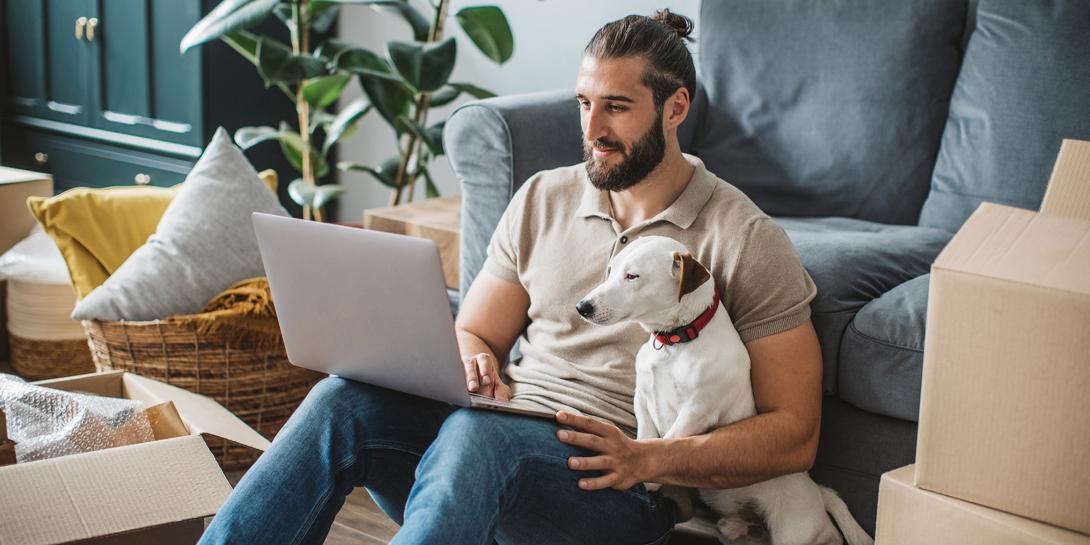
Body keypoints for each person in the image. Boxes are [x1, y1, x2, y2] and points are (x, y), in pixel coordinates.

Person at [199, 9, 820, 545]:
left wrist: (649, 459)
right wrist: (474, 363)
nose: (593, 129)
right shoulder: (541, 199)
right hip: (495, 438)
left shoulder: (743, 237)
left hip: (621, 488)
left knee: (476, 436)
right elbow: (476, 334)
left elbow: (795, 436)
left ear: (675, 107)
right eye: (585, 103)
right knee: (343, 401)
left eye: (618, 108)